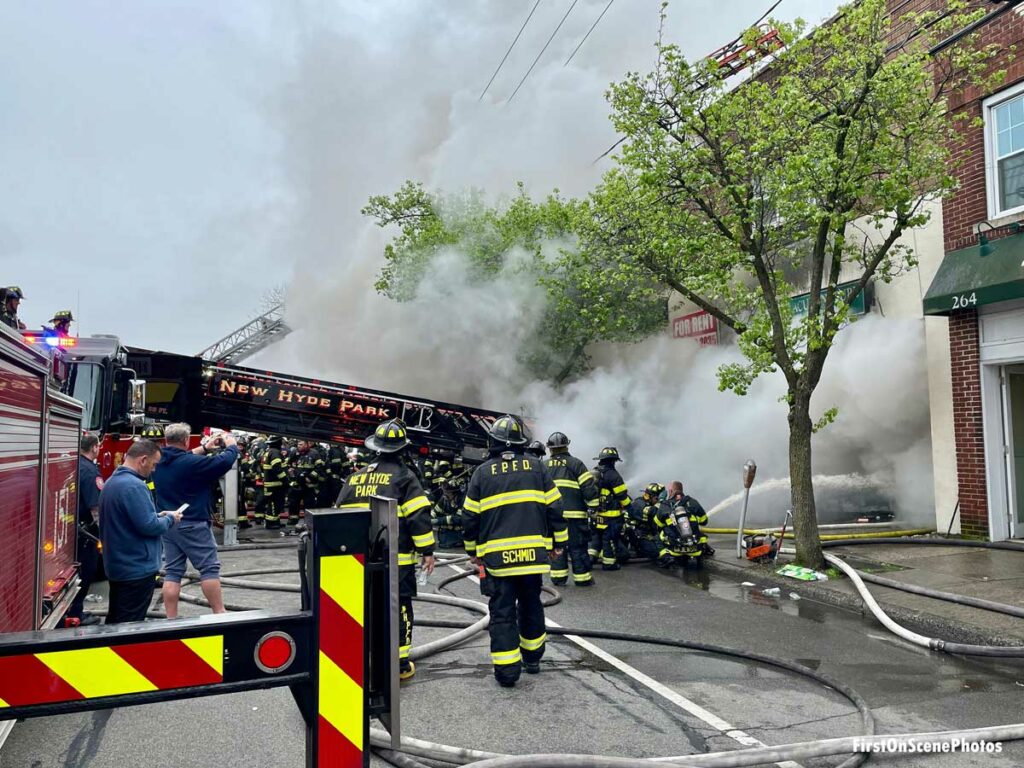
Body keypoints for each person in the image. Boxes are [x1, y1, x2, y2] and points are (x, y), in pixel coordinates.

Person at [463, 415, 567, 687]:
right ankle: (532, 659)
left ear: (493, 442)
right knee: (532, 604)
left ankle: (507, 673)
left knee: (502, 612)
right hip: (532, 557)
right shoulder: (537, 468)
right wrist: (558, 544)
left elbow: (470, 517)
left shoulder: (482, 473)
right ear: (521, 442)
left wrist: (472, 550)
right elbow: (555, 508)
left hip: (497, 561)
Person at [336, 418, 435, 681]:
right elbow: (418, 518)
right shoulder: (405, 477)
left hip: (357, 560)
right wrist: (427, 551)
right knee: (399, 608)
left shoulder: (355, 478)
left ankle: (357, 661)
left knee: (361, 609)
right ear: (403, 449)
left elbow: (337, 517)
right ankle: (399, 664)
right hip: (396, 562)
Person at [152, 423, 239, 619]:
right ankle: (219, 612)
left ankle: (171, 618)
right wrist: (231, 445)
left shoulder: (159, 460)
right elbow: (224, 462)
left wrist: (206, 447)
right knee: (209, 568)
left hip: (168, 523)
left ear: (167, 440)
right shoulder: (191, 464)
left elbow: (182, 456)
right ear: (185, 440)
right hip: (193, 523)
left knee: (173, 571)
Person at [99, 439, 182, 623]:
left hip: (120, 566)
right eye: (153, 465)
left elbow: (132, 518)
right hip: (135, 569)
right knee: (129, 625)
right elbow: (149, 526)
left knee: (117, 621)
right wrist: (170, 519)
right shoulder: (134, 486)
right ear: (143, 460)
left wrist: (157, 514)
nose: (153, 470)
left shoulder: (114, 481)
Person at [544, 431, 598, 587]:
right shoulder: (577, 464)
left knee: (557, 546)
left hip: (553, 516)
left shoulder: (544, 466)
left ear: (550, 449)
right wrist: (593, 508)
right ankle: (582, 578)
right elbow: (588, 489)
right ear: (566, 446)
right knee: (578, 546)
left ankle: (558, 578)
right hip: (575, 517)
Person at [68, 433, 104, 625]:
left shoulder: (74, 465)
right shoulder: (91, 471)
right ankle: (76, 614)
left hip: (71, 530)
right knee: (86, 572)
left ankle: (71, 611)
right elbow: (96, 507)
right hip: (85, 534)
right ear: (94, 448)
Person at [591, 447, 631, 571]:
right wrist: (630, 507)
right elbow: (622, 495)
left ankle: (590, 558)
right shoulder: (613, 475)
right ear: (613, 461)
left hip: (597, 515)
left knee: (596, 539)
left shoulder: (595, 472)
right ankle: (609, 563)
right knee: (609, 539)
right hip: (611, 516)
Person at [655, 481, 710, 568]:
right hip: (695, 547)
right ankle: (703, 552)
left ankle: (666, 557)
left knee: (658, 536)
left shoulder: (665, 504)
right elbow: (704, 521)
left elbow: (658, 524)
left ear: (671, 491)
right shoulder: (693, 502)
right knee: (700, 533)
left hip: (674, 548)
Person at [626, 483, 665, 560]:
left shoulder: (650, 503)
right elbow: (651, 511)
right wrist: (661, 501)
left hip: (649, 534)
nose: (657, 501)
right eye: (656, 498)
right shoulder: (639, 503)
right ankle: (636, 550)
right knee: (655, 552)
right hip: (638, 535)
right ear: (650, 496)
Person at [259, 435, 288, 528]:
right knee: (274, 504)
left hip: (271, 484)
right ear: (278, 443)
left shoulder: (269, 452)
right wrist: (285, 480)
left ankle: (275, 521)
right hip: (275, 485)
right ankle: (271, 523)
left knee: (275, 504)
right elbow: (277, 468)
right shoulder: (275, 452)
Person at [431, 478, 464, 549]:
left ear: (454, 493)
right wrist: (427, 518)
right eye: (444, 492)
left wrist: (438, 521)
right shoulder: (444, 499)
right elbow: (435, 512)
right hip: (447, 533)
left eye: (447, 492)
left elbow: (458, 519)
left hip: (460, 532)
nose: (444, 495)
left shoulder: (462, 500)